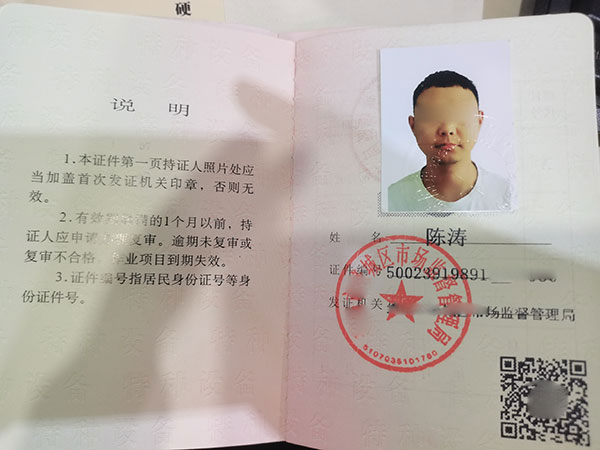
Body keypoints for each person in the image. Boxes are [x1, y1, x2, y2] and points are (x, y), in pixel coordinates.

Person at [387, 70, 511, 212]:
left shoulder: (507, 196)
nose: (447, 129)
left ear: (479, 121)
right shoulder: (391, 199)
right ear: (413, 125)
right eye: (433, 117)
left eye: (460, 116)